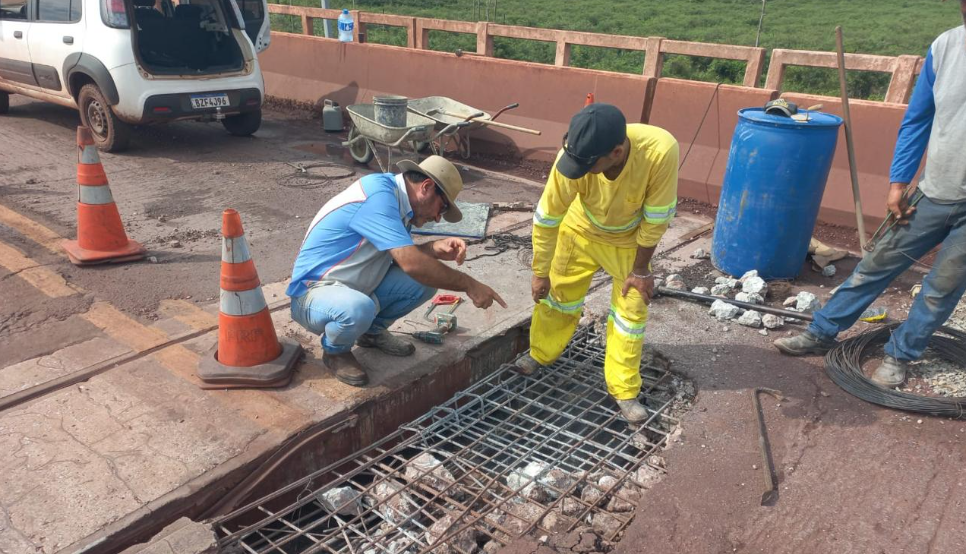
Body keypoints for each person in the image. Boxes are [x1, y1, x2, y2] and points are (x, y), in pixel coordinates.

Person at [775, 5, 966, 388]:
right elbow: (917, 118)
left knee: (942, 287)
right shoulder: (947, 47)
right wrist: (898, 182)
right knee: (875, 265)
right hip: (934, 192)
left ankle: (900, 355)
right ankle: (821, 332)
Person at [513, 103, 679, 424]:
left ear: (616, 152)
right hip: (580, 229)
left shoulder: (659, 151)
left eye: (588, 165)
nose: (580, 170)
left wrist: (641, 270)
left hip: (628, 241)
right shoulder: (573, 156)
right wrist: (540, 271)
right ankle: (541, 353)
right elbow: (547, 218)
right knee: (559, 298)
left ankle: (624, 389)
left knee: (631, 313)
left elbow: (657, 217)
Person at [286, 156, 507, 386]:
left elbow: (396, 260)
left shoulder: (399, 204)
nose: (437, 217)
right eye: (441, 207)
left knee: (423, 283)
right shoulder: (378, 197)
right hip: (312, 294)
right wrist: (469, 284)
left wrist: (432, 248)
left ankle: (371, 333)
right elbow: (411, 263)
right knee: (359, 308)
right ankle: (335, 351)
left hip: (352, 287)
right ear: (427, 187)